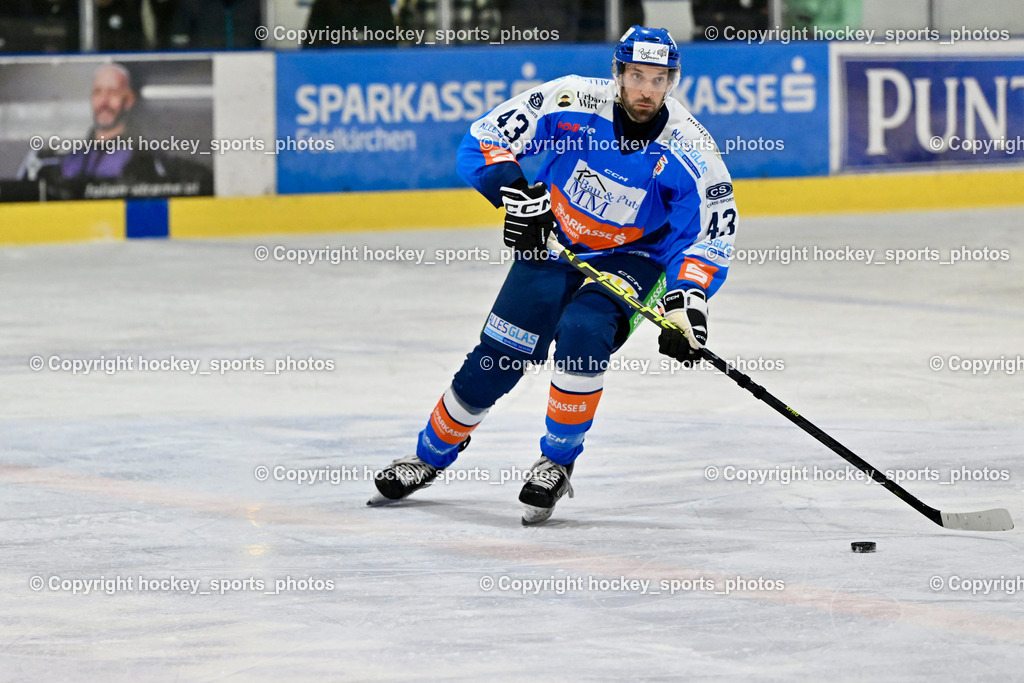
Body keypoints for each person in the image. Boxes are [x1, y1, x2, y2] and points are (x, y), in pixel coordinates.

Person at [368, 26, 738, 524]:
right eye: (635, 76)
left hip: (634, 258)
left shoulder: (692, 150)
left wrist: (687, 303)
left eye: (658, 78)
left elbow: (708, 234)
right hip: (555, 242)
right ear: (618, 74)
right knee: (497, 359)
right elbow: (486, 137)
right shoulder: (572, 100)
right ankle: (426, 459)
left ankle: (556, 463)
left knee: (584, 331)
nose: (646, 90)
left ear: (672, 80)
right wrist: (520, 197)